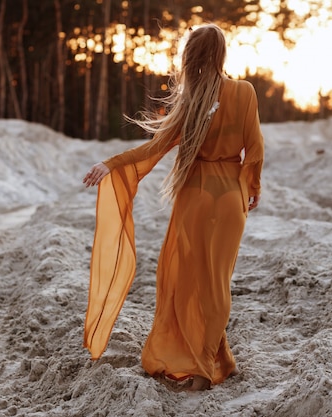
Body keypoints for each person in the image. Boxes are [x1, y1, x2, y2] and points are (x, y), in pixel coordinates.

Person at [82, 23, 264, 392]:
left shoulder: (191, 101)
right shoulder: (244, 92)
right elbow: (255, 149)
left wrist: (111, 164)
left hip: (194, 199)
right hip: (230, 198)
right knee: (216, 284)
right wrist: (251, 187)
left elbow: (152, 149)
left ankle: (201, 366)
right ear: (222, 54)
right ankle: (215, 361)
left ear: (191, 57)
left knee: (187, 282)